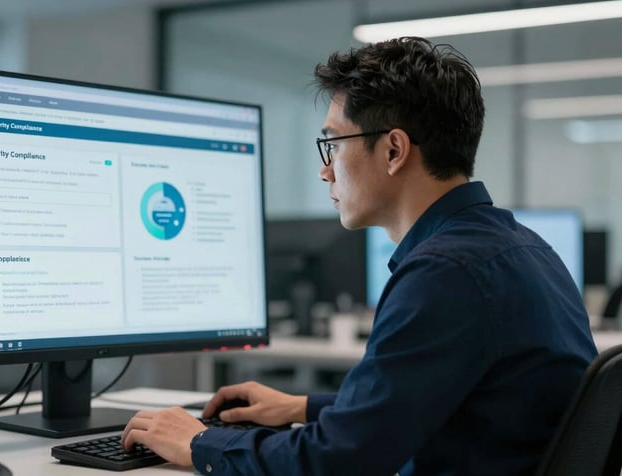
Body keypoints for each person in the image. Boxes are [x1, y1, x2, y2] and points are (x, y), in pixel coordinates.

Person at [121, 36, 597, 475]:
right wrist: (303, 407)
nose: (326, 172)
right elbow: (445, 398)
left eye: (333, 143)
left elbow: (338, 461)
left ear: (393, 150)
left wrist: (200, 443)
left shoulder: (445, 273)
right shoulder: (522, 248)